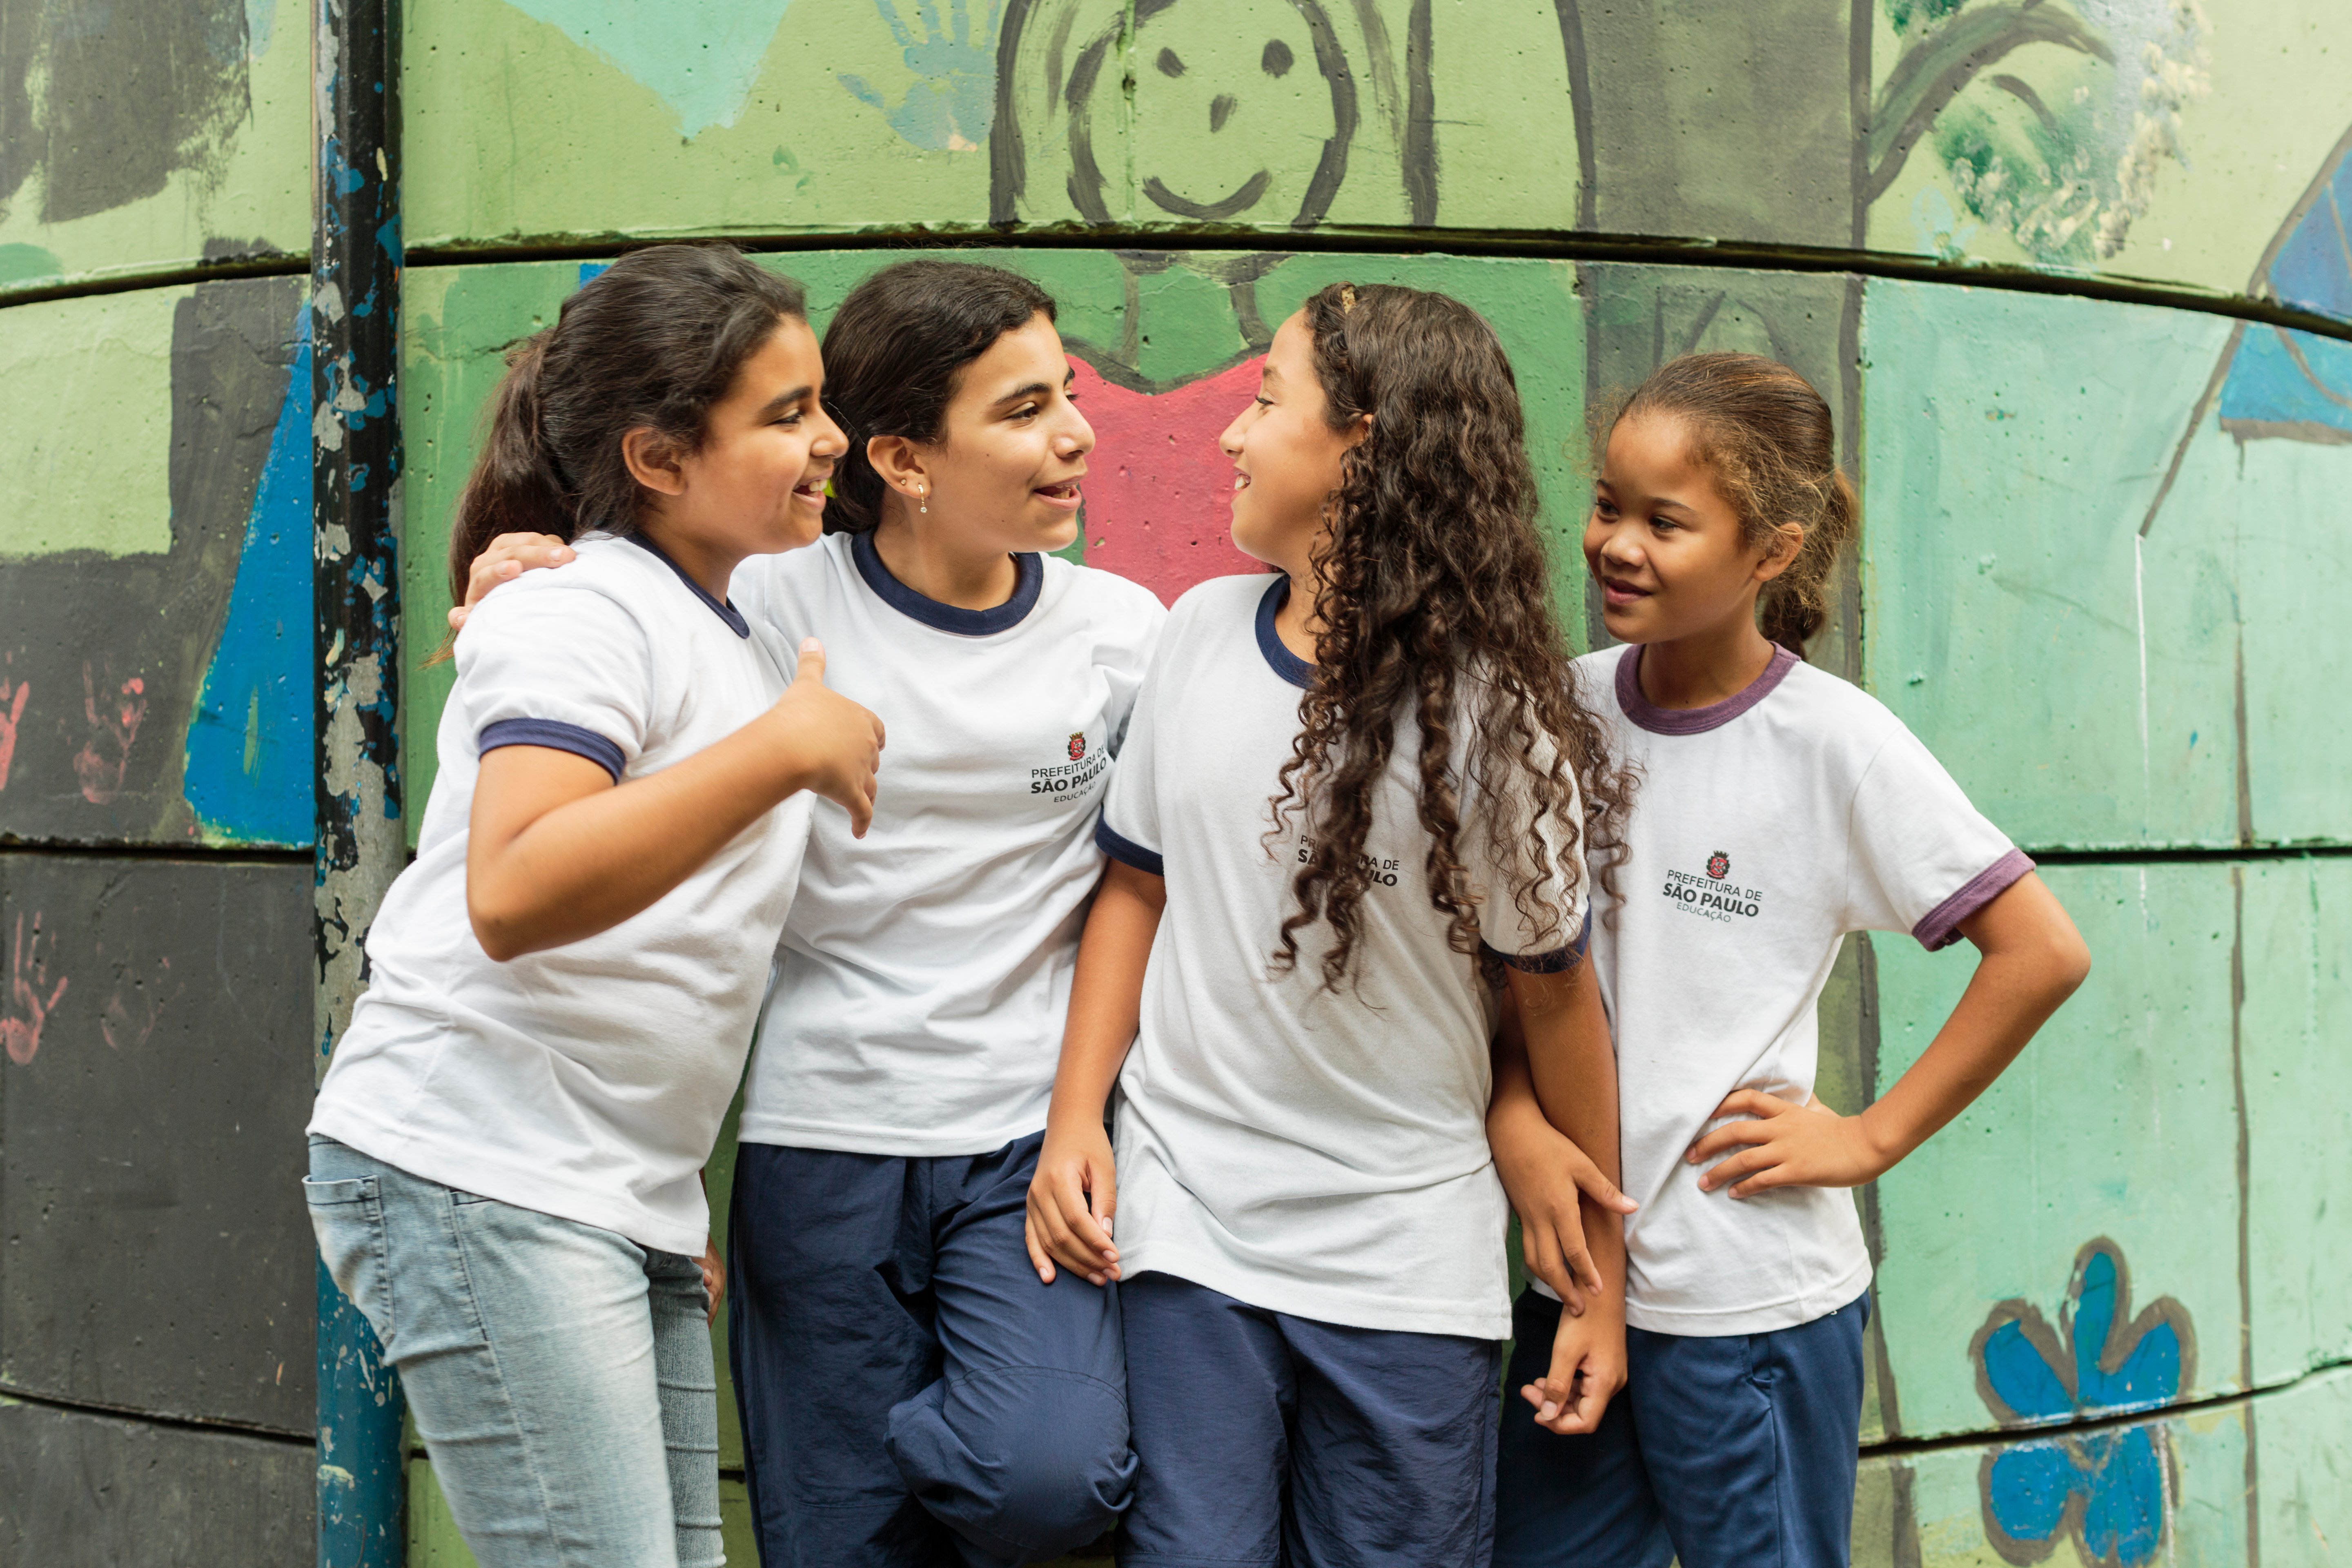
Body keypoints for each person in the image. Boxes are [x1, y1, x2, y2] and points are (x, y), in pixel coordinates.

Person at [460, 259, 1161, 1568]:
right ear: (904, 458)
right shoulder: (768, 603)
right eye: (1022, 410)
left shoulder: (1124, 632)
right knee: (832, 1536)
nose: (1074, 433)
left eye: (1066, 395)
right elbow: (604, 675)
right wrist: (517, 578)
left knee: (1049, 1480)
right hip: (817, 1137)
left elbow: (1164, 877)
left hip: (1022, 1141)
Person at [1025, 282, 1634, 1568]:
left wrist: (1598, 1287)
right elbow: (1135, 888)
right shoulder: (1195, 636)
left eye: (1264, 401)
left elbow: (1556, 997)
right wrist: (1078, 1118)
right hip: (1191, 1224)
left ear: (1363, 441)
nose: (1234, 437)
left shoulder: (1490, 719)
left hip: (1407, 1255)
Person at [304, 244, 886, 1568]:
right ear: (660, 459)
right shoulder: (590, 613)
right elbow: (514, 891)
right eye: (787, 414)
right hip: (483, 1165)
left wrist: (655, 1199)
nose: (829, 441)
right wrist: (786, 751)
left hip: (603, 1192)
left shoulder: (711, 621)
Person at [1493, 352, 2092, 1568]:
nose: (1617, 543)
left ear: (1771, 551)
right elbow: (1519, 977)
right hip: (1575, 1288)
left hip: (1748, 1305)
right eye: (1610, 505)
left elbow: (2039, 949)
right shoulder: (1559, 710)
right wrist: (1515, 1118)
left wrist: (1869, 1138)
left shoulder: (1837, 747)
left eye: (1667, 522)